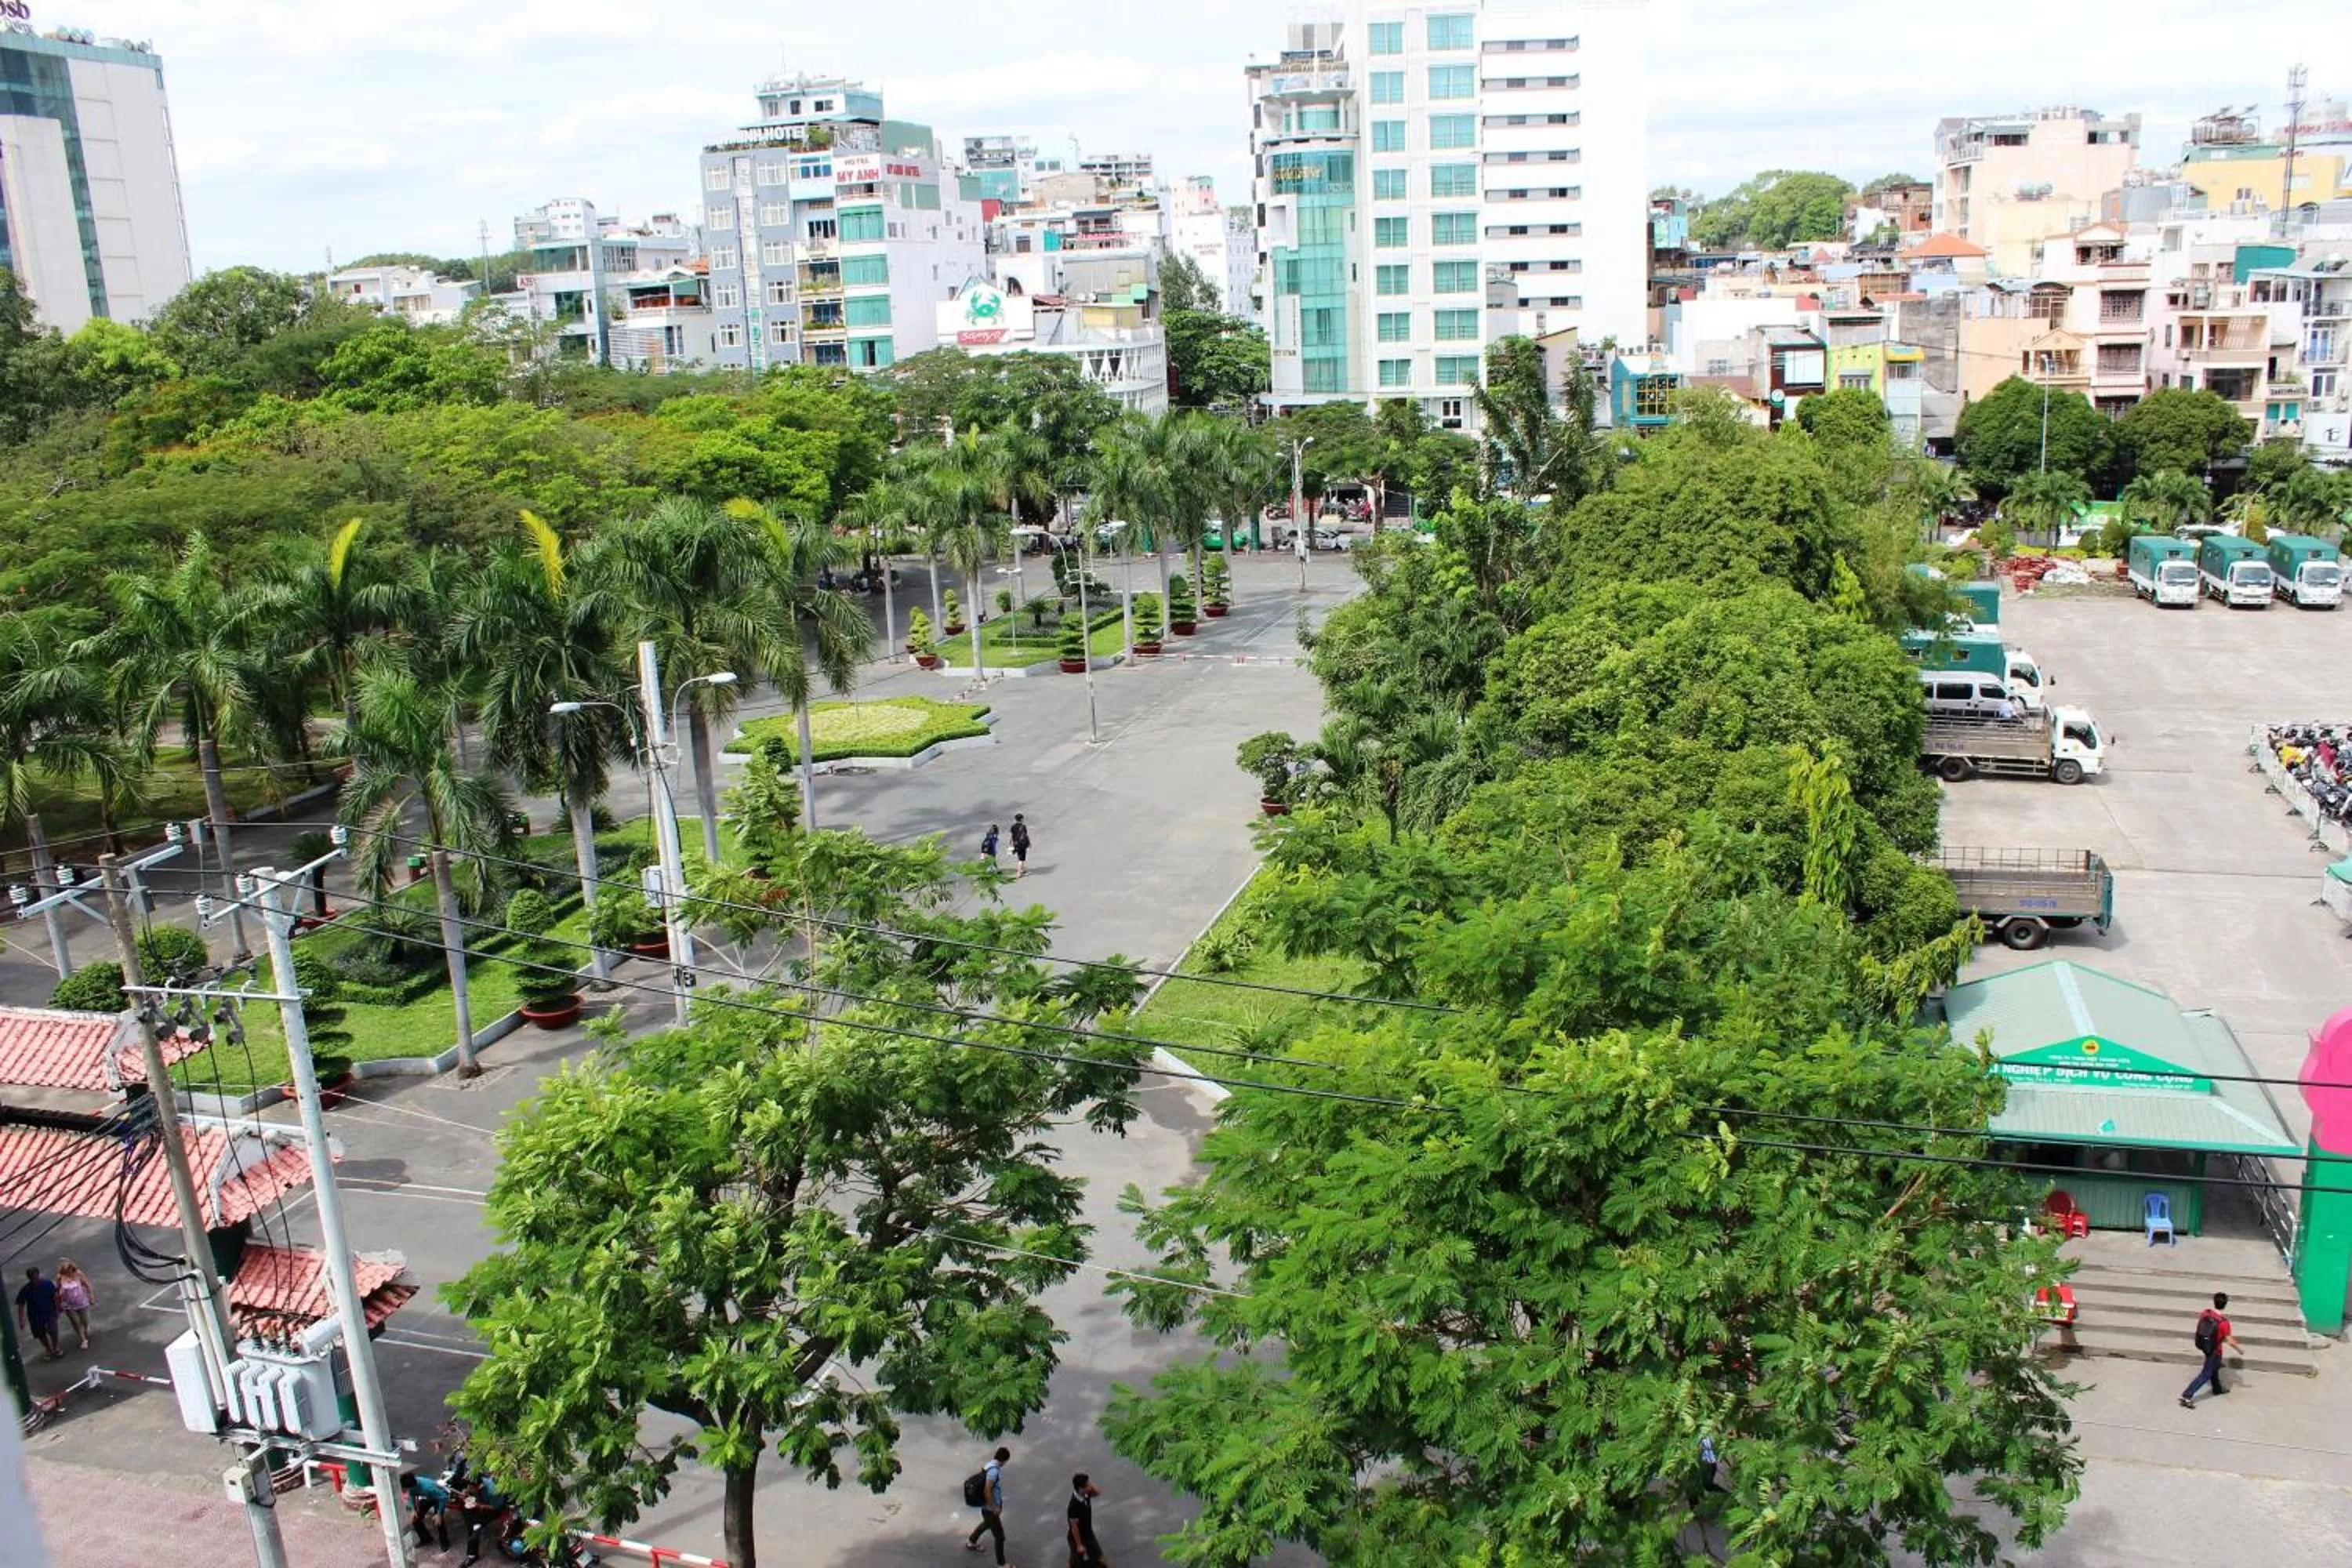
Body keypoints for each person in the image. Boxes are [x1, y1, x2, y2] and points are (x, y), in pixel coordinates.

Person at [2180, 1291, 2236, 1407]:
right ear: (2225, 1305)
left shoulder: (2205, 1313)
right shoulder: (2224, 1323)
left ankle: (2217, 1389)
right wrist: (2240, 1350)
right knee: (2206, 1374)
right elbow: (2230, 1341)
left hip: (2206, 1346)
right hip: (2215, 1351)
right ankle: (2187, 1396)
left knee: (2214, 1369)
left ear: (2214, 1301)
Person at [965, 1446, 1011, 1564]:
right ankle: (1002, 1564)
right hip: (990, 1509)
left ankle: (972, 1542)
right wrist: (994, 1507)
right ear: (1004, 1460)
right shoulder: (994, 1471)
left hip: (987, 1509)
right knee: (1000, 1537)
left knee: (987, 1524)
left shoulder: (990, 1465)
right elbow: (987, 1490)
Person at [14, 1265, 60, 1359]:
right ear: (29, 1278)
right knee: (40, 1334)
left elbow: (55, 1296)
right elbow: (21, 1305)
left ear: (38, 1275)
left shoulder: (47, 1284)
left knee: (53, 1330)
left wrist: (57, 1309)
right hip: (35, 1316)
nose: (35, 1280)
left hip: (49, 1312)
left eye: (36, 1277)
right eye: (32, 1278)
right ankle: (48, 1349)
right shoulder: (25, 1290)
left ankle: (56, 1347)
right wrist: (21, 1320)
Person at [1065, 1473, 1106, 1568]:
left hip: (1088, 1533)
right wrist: (1079, 1545)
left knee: (1099, 1558)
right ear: (1080, 1489)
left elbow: (1098, 1492)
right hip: (1077, 1537)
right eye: (1087, 1485)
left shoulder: (1086, 1494)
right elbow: (1074, 1527)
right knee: (1074, 1563)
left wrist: (1090, 1485)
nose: (1090, 1486)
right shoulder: (1073, 1506)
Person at [53, 1260, 92, 1351]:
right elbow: (57, 1290)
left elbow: (87, 1284)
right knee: (76, 1322)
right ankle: (83, 1340)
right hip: (68, 1304)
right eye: (66, 1271)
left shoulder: (78, 1274)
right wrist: (58, 1303)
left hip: (81, 1302)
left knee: (85, 1320)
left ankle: (86, 1327)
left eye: (70, 1270)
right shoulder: (60, 1278)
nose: (69, 1273)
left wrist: (91, 1296)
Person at [1010, 814, 1032, 880]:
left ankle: (1022, 869)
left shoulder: (1013, 826)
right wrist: (1029, 843)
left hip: (1016, 844)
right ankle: (1019, 873)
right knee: (1021, 859)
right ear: (1021, 819)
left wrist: (1010, 843)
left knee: (1020, 857)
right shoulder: (1023, 826)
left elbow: (1012, 835)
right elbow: (1026, 835)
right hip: (1022, 844)